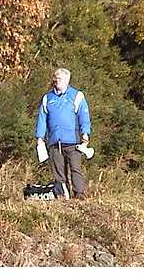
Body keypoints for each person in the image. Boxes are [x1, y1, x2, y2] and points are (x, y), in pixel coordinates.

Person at [35, 68, 91, 200]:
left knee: (75, 168)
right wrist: (39, 137)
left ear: (67, 80)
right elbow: (42, 118)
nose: (55, 81)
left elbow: (84, 115)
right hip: (55, 141)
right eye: (55, 78)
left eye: (59, 78)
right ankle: (62, 195)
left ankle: (79, 194)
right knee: (58, 170)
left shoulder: (77, 95)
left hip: (73, 141)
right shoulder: (47, 98)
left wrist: (85, 133)